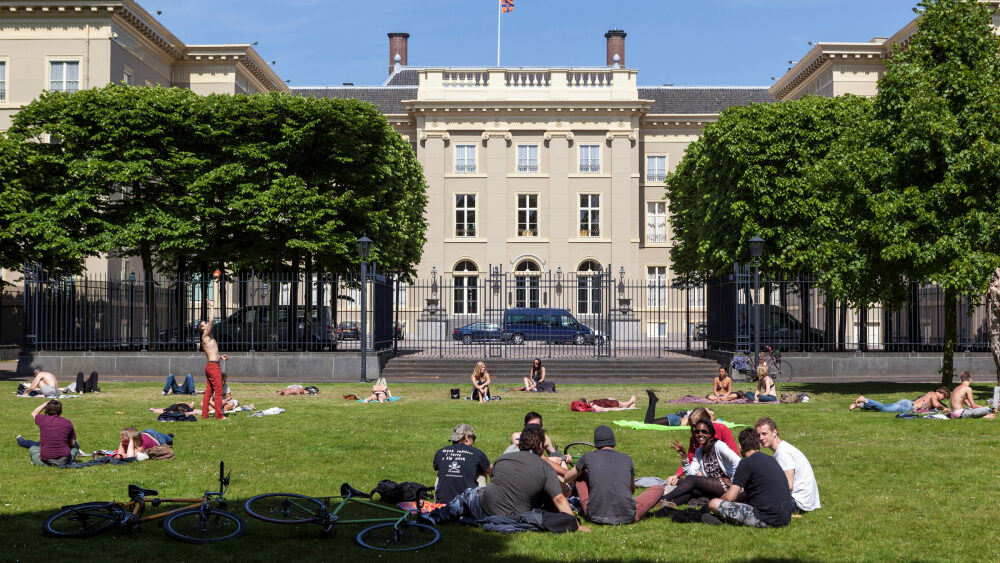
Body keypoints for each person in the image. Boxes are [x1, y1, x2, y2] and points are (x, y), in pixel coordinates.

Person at [428, 426, 587, 533]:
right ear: (540, 445)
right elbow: (559, 499)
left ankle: (437, 516)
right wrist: (575, 524)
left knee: (470, 494)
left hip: (483, 507)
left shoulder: (503, 459)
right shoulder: (545, 467)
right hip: (513, 515)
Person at [563, 425, 664, 524]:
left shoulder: (587, 457)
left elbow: (567, 479)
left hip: (594, 515)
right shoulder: (627, 459)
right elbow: (631, 490)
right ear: (613, 442)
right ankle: (646, 503)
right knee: (659, 488)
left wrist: (582, 471)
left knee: (579, 475)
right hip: (627, 516)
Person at [708, 428, 794, 528]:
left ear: (740, 446)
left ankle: (721, 519)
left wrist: (720, 500)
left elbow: (730, 497)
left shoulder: (746, 463)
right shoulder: (771, 459)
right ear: (759, 444)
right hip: (785, 517)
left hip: (766, 519)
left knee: (713, 503)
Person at [660, 420, 741, 507]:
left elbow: (737, 461)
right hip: (713, 486)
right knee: (691, 488)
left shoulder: (719, 446)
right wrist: (684, 457)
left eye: (704, 432)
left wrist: (734, 484)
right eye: (697, 431)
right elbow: (690, 474)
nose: (700, 434)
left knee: (691, 481)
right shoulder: (699, 451)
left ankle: (664, 498)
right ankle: (672, 504)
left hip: (727, 485)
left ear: (710, 434)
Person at [755, 417, 820, 513]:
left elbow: (788, 485)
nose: (761, 438)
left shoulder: (783, 452)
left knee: (757, 503)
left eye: (764, 434)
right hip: (802, 500)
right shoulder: (780, 451)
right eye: (758, 435)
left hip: (799, 502)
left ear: (774, 432)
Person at [433, 423, 492, 503]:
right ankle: (480, 505)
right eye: (473, 438)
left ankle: (438, 500)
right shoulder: (477, 453)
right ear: (467, 437)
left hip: (443, 505)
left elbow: (436, 467)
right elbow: (490, 471)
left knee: (440, 473)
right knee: (482, 471)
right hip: (467, 505)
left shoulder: (441, 452)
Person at [22, 399, 80, 466]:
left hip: (47, 459)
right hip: (65, 459)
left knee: (33, 449)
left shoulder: (43, 419)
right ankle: (71, 458)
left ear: (47, 409)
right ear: (60, 410)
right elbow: (72, 443)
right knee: (76, 444)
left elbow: (34, 412)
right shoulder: (67, 422)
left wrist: (47, 402)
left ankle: (39, 462)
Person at [199, 299, 229, 420]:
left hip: (212, 365)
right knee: (219, 390)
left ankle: (204, 415)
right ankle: (219, 415)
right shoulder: (205, 334)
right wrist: (211, 306)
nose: (207, 323)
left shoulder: (208, 336)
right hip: (212, 367)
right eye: (204, 323)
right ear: (202, 328)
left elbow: (212, 352)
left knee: (209, 391)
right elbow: (212, 320)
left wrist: (220, 357)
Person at [849, 387, 949, 413]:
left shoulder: (930, 394)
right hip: (907, 406)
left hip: (906, 405)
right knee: (884, 408)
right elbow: (936, 405)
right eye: (944, 397)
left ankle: (861, 405)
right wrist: (942, 407)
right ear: (942, 393)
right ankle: (865, 399)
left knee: (884, 408)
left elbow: (941, 407)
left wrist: (949, 409)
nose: (943, 399)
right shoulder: (933, 394)